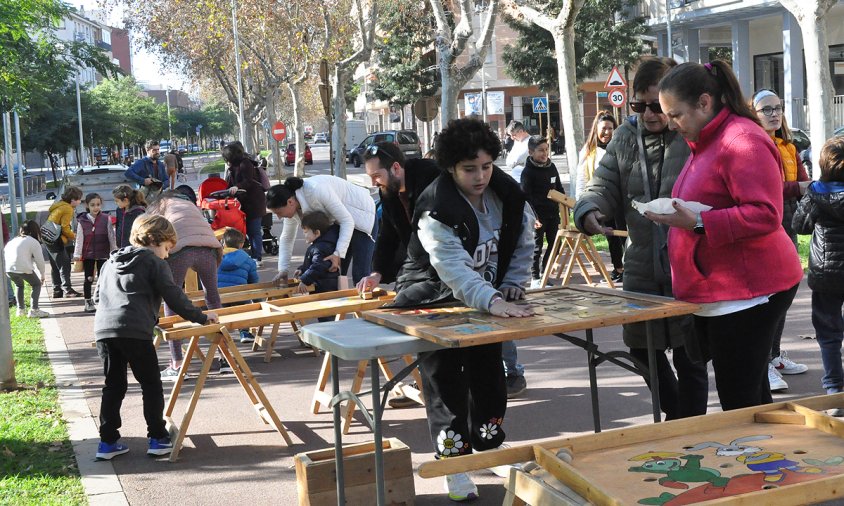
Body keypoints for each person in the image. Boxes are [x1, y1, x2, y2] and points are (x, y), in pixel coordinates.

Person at [391, 118, 535, 501]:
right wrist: (494, 300)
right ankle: (453, 462)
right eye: (469, 169)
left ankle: (487, 447)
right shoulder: (435, 207)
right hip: (431, 299)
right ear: (451, 167)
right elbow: (452, 268)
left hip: (485, 302)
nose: (480, 176)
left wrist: (512, 284)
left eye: (486, 166)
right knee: (445, 385)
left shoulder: (507, 193)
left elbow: (523, 241)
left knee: (490, 376)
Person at [647, 60, 803, 410]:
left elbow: (766, 213)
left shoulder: (742, 139)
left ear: (704, 102)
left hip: (748, 292)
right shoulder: (710, 138)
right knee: (748, 399)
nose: (671, 125)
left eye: (676, 115)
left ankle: (760, 463)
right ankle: (766, 462)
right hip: (725, 293)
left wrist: (699, 223)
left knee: (740, 402)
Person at [574, 56, 709, 421]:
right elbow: (602, 184)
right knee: (641, 351)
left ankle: (688, 426)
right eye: (639, 105)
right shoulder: (623, 137)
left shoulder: (694, 134)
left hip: (689, 268)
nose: (648, 114)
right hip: (640, 269)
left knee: (690, 357)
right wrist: (589, 210)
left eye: (656, 106)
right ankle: (676, 412)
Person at [93, 214, 218, 461]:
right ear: (154, 240)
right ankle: (157, 437)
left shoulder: (110, 262)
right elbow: (173, 295)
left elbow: (98, 298)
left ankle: (107, 442)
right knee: (150, 384)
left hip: (104, 330)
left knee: (113, 385)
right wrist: (202, 317)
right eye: (167, 248)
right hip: (136, 331)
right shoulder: (153, 262)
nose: (168, 254)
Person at [751, 88, 811, 392]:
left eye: (778, 108)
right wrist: (798, 187)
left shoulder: (789, 146)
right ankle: (763, 362)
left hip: (787, 220)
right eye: (767, 109)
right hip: (767, 221)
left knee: (786, 291)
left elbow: (800, 182)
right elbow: (772, 186)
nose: (774, 114)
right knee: (771, 295)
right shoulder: (755, 145)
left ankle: (773, 356)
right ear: (754, 114)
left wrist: (804, 187)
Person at [145, 190, 223, 380]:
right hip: (209, 248)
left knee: (172, 299)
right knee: (212, 297)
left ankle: (177, 363)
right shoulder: (190, 205)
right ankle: (226, 358)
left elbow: (152, 233)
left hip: (180, 250)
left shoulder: (160, 206)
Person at [793, 136, 844, 417]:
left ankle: (834, 391)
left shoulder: (816, 192)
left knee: (828, 332)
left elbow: (799, 225)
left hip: (826, 272)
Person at [356, 141, 440, 294]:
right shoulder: (388, 191)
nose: (373, 183)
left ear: (395, 168)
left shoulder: (430, 176)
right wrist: (377, 273)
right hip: (420, 261)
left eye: (376, 176)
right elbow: (388, 235)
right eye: (370, 177)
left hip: (448, 257)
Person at [267, 176, 376, 286]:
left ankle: (369, 300)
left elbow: (347, 221)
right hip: (338, 222)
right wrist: (283, 270)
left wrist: (338, 253)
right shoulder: (293, 206)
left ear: (290, 202)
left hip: (362, 215)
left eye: (279, 212)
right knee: (332, 271)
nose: (279, 217)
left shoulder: (316, 190)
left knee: (360, 275)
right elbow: (287, 238)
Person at [575, 111, 625, 281]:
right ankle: (618, 268)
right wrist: (582, 203)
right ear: (596, 130)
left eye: (610, 128)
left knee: (625, 235)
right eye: (603, 129)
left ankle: (627, 267)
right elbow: (581, 180)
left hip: (623, 201)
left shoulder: (621, 147)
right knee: (612, 235)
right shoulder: (588, 152)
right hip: (602, 201)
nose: (607, 133)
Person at [521, 135, 565, 289]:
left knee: (555, 245)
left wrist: (565, 204)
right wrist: (534, 217)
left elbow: (559, 189)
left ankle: (545, 274)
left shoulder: (551, 167)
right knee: (537, 247)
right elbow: (525, 197)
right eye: (540, 150)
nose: (544, 153)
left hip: (553, 214)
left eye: (546, 149)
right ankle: (535, 277)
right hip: (537, 216)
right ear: (531, 152)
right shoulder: (527, 172)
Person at [222, 142, 267, 266]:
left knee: (254, 231)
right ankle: (249, 255)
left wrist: (237, 187)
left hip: (254, 203)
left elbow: (248, 181)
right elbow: (229, 184)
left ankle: (257, 258)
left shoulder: (245, 164)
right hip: (242, 204)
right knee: (246, 231)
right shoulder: (233, 167)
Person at [73, 193, 117, 313]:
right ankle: (88, 301)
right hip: (89, 254)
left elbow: (111, 236)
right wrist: (77, 254)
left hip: (104, 252)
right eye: (93, 205)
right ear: (87, 205)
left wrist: (114, 251)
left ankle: (104, 301)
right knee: (89, 278)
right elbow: (79, 239)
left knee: (103, 278)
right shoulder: (82, 221)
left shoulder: (106, 218)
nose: (96, 207)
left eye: (98, 204)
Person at [217, 227, 259, 344]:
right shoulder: (248, 260)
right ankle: (244, 331)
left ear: (223, 243)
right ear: (241, 245)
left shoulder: (215, 259)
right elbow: (254, 283)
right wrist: (258, 301)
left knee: (220, 313)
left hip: (220, 295)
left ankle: (220, 333)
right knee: (244, 309)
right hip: (240, 295)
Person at [5, 220, 48, 318]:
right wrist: (42, 274)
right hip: (23, 267)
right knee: (36, 284)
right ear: (36, 231)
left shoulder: (13, 240)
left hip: (9, 268)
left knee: (19, 285)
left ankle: (20, 310)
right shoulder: (33, 242)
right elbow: (40, 261)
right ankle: (34, 310)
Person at [46, 186, 83, 298]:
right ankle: (68, 290)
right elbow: (65, 228)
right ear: (73, 200)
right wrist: (74, 236)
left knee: (55, 264)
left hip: (47, 236)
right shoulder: (68, 209)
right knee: (65, 264)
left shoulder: (59, 206)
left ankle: (57, 289)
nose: (80, 201)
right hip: (56, 238)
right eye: (79, 199)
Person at [294, 212, 340, 295]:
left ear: (317, 233)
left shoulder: (320, 248)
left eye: (305, 232)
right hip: (322, 284)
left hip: (324, 287)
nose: (304, 235)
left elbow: (318, 266)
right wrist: (302, 269)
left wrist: (305, 280)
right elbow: (313, 264)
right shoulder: (319, 245)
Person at [112, 185, 147, 249]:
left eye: (117, 201)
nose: (115, 203)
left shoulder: (138, 212)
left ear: (125, 200)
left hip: (133, 248)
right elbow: (118, 226)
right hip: (121, 247)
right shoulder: (119, 210)